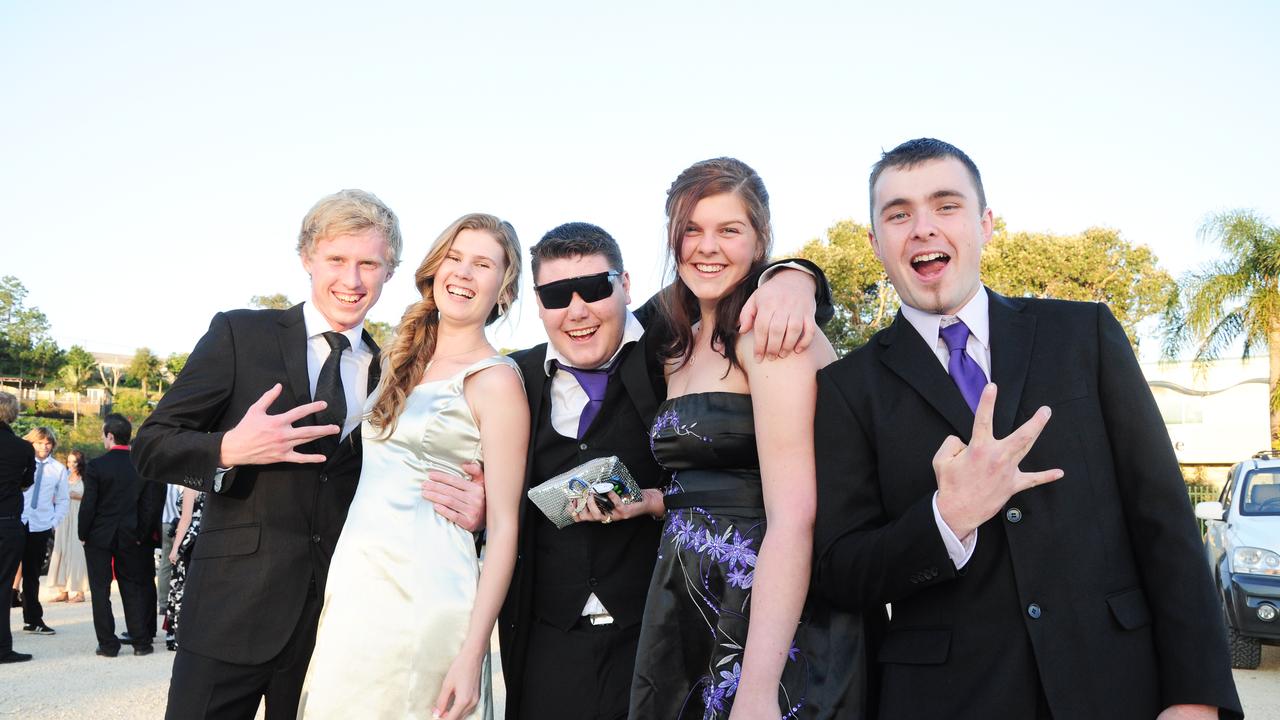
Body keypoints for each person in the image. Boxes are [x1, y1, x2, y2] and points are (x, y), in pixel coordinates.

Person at [812, 138, 1244, 719]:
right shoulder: (846, 388)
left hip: (1117, 686)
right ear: (875, 244)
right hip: (949, 700)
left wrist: (1197, 695)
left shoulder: (1083, 334)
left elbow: (1162, 517)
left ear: (986, 224)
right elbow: (841, 569)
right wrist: (948, 519)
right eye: (898, 214)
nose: (922, 228)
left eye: (946, 205)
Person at [483, 221, 832, 719]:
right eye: (557, 295)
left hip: (662, 634)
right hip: (548, 648)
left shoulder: (673, 347)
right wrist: (482, 501)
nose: (577, 310)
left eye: (596, 289)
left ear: (625, 286)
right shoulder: (511, 378)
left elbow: (729, 266)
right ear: (537, 303)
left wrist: (797, 275)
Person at [132, 189, 401, 719]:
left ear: (389, 271)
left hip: (336, 621)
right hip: (231, 607)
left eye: (369, 263)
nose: (352, 280)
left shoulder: (393, 369)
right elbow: (151, 445)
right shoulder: (239, 333)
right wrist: (230, 447)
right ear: (306, 258)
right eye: (337, 260)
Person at [629, 158, 867, 719]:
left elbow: (795, 513)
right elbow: (723, 477)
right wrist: (657, 500)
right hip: (685, 602)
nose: (706, 247)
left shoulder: (769, 334)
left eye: (729, 230)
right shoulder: (678, 343)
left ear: (760, 240)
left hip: (764, 615)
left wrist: (758, 689)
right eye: (691, 229)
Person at [298, 213, 528, 720]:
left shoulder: (496, 381)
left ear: (503, 290)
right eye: (455, 257)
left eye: (483, 264)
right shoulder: (397, 362)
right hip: (357, 590)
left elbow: (506, 526)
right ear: (434, 269)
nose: (464, 273)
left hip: (426, 595)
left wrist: (473, 653)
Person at [79, 413, 166, 656]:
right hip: (132, 535)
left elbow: (89, 505)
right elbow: (150, 506)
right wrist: (142, 533)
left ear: (110, 436)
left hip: (99, 535)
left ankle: (108, 644)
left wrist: (83, 533)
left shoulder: (96, 466)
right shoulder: (141, 467)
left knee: (100, 590)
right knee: (133, 588)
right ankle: (141, 642)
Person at [19, 426, 70, 636]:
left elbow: (63, 499)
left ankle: (33, 619)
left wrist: (53, 521)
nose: (44, 446)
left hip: (40, 525)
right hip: (17, 521)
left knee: (32, 575)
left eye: (48, 443)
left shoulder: (57, 469)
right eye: (40, 442)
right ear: (31, 443)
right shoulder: (20, 464)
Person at [0, 391, 35, 663]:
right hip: (8, 523)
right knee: (3, 587)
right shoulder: (23, 448)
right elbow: (26, 483)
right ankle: (2, 647)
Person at [44, 448, 90, 602]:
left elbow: (91, 497)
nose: (71, 464)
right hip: (64, 517)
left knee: (76, 551)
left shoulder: (86, 478)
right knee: (61, 549)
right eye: (69, 461)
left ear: (80, 463)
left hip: (78, 516)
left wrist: (75, 495)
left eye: (74, 462)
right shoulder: (63, 477)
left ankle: (79, 592)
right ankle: (62, 589)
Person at [165, 487, 204, 651]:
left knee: (183, 588)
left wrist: (175, 548)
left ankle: (181, 634)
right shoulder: (214, 479)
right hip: (207, 537)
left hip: (190, 540)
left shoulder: (194, 482)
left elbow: (186, 518)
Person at [156, 482, 183, 613]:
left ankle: (163, 602)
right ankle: (178, 599)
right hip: (179, 523)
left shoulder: (164, 482)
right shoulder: (182, 482)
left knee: (165, 565)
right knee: (181, 564)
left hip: (164, 523)